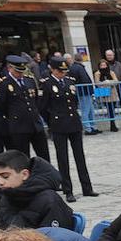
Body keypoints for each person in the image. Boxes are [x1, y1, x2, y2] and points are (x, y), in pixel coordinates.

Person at [38, 57, 98, 203]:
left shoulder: (70, 81)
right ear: (52, 69)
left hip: (74, 123)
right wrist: (52, 121)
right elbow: (42, 107)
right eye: (59, 71)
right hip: (59, 125)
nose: (62, 73)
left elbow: (74, 101)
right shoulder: (46, 84)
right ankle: (68, 189)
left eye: (64, 71)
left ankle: (87, 187)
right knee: (63, 159)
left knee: (80, 157)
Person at [0, 150, 74, 231]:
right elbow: (0, 234)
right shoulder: (7, 197)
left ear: (24, 174)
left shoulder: (49, 200)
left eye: (5, 176)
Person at [0, 55, 51, 159]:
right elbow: (1, 106)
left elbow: (36, 100)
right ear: (9, 68)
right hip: (19, 126)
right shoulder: (4, 84)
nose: (20, 74)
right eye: (17, 71)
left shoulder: (29, 80)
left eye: (22, 71)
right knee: (23, 158)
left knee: (44, 156)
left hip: (35, 124)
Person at [93, 58, 120, 133]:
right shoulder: (97, 73)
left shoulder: (111, 72)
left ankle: (113, 123)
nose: (103, 66)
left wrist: (109, 82)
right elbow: (97, 83)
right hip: (104, 92)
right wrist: (105, 83)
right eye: (102, 65)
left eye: (104, 65)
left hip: (112, 91)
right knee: (109, 108)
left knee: (113, 107)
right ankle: (112, 124)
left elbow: (116, 81)